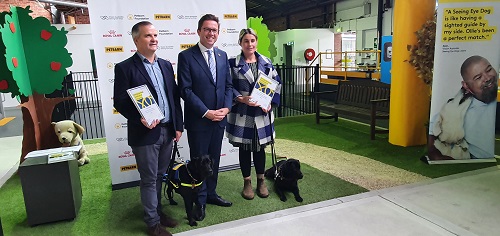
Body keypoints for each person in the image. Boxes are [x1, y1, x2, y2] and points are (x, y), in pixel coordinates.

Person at [113, 21, 183, 236]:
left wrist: (178, 126)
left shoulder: (164, 64)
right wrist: (139, 117)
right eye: (147, 36)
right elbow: (120, 101)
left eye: (155, 35)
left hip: (167, 130)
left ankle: (158, 213)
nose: (154, 39)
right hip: (145, 133)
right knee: (149, 179)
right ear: (136, 40)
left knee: (160, 175)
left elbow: (173, 97)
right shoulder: (125, 67)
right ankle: (152, 224)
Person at [177, 14, 233, 221]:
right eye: (207, 29)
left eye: (214, 30)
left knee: (214, 160)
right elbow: (186, 90)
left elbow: (228, 85)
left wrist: (226, 109)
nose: (211, 33)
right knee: (199, 163)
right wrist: (206, 112)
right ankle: (199, 202)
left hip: (219, 120)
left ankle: (211, 194)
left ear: (218, 33)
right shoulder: (186, 56)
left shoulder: (222, 56)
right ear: (199, 31)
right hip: (199, 121)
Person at [226, 28, 282, 200]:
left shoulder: (266, 62)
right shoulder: (232, 63)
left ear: (256, 42)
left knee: (259, 149)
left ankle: (261, 181)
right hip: (242, 113)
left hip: (261, 114)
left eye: (252, 41)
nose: (249, 44)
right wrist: (240, 98)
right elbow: (227, 86)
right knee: (244, 149)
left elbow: (277, 84)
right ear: (240, 43)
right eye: (246, 41)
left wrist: (270, 104)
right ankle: (247, 183)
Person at [428, 55, 497, 160]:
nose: (487, 78)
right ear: (465, 85)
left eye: (489, 70)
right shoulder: (456, 111)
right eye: (478, 77)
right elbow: (433, 134)